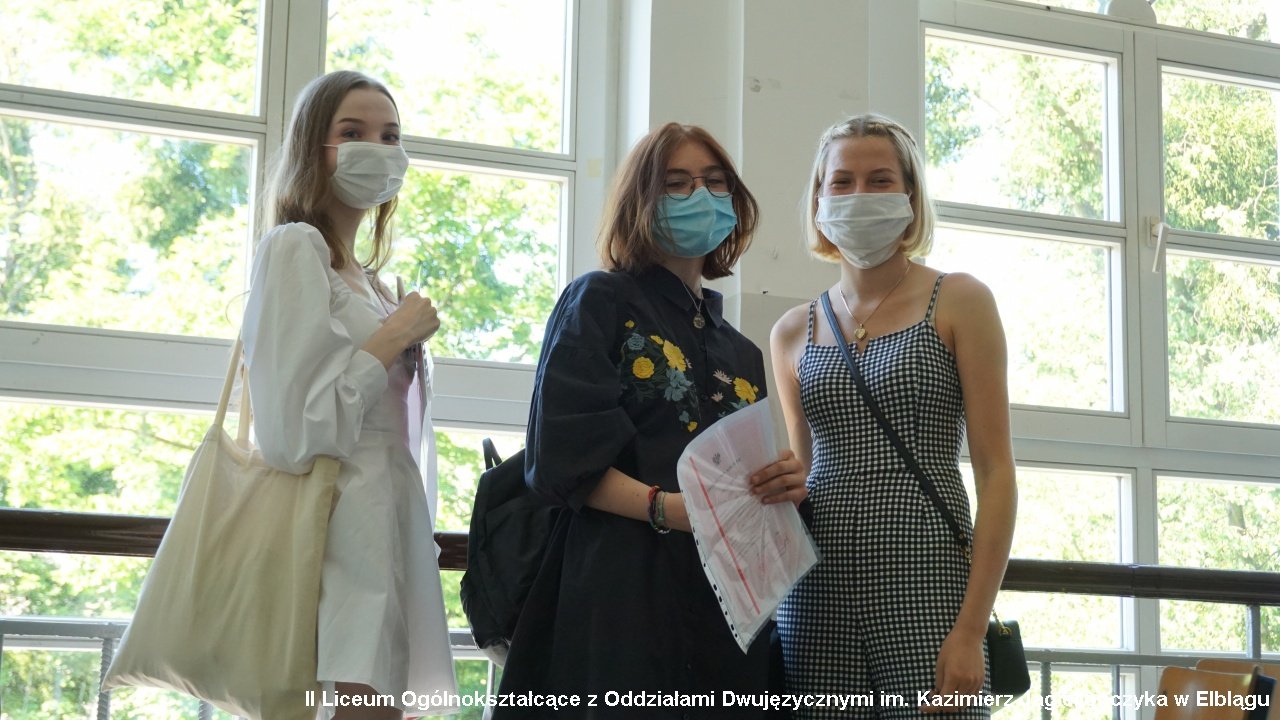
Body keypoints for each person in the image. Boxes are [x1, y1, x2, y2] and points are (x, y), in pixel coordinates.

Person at [493, 122, 808, 719]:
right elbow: (560, 460)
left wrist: (786, 488)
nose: (700, 196)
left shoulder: (740, 350)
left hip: (726, 610)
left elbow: (743, 489)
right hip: (619, 592)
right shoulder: (599, 301)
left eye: (715, 182)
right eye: (677, 183)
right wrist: (668, 509)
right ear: (641, 201)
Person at [770, 113, 1017, 719]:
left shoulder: (959, 299)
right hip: (817, 596)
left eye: (880, 179)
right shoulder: (792, 330)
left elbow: (996, 473)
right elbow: (803, 471)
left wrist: (970, 628)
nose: (859, 194)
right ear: (819, 198)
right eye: (842, 181)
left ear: (910, 195)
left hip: (929, 582)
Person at [241, 70, 457, 720]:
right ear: (315, 146)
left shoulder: (372, 283)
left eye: (390, 136)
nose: (378, 148)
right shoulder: (294, 248)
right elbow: (291, 433)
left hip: (389, 527)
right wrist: (392, 338)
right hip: (337, 534)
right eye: (353, 132)